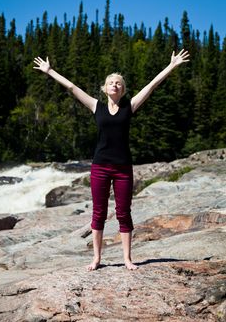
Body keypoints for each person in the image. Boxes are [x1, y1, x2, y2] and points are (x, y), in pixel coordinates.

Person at [33, 49, 190, 271]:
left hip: (123, 168)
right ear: (105, 88)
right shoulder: (96, 106)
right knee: (99, 213)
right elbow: (71, 87)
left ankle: (127, 259)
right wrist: (49, 71)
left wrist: (172, 66)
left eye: (118, 83)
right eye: (111, 82)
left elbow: (152, 85)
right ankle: (96, 259)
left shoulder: (130, 107)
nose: (114, 85)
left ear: (123, 89)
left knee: (124, 213)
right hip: (100, 167)